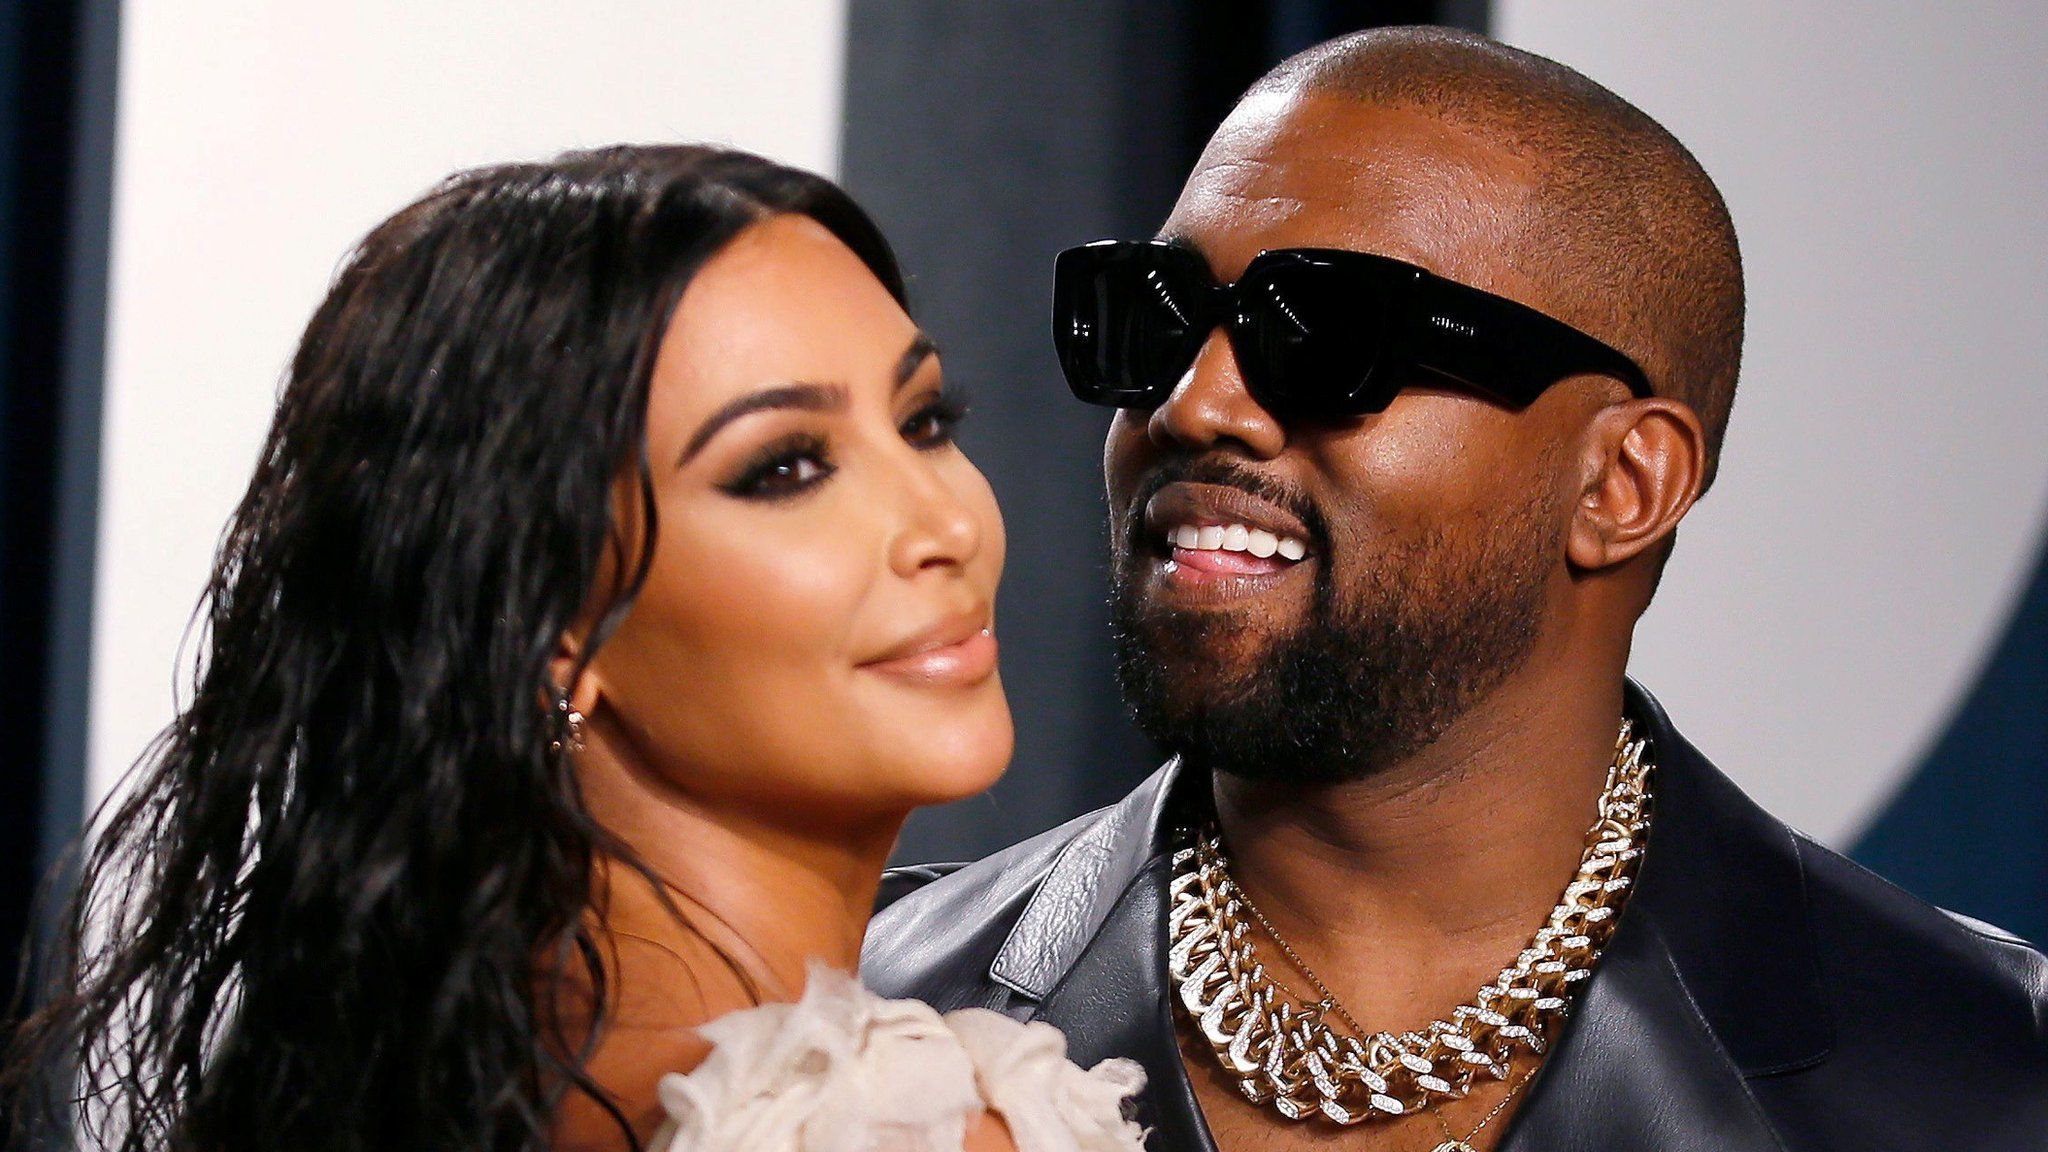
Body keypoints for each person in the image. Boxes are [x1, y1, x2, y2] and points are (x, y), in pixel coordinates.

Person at [863, 27, 2048, 1152]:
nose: (1194, 404)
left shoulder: (1982, 1077)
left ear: (1622, 482)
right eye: (1155, 320)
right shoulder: (855, 1020)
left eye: (1327, 335)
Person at [6, 146, 1143, 1152]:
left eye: (923, 422)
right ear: (546, 626)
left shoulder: (426, 1078)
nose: (946, 526)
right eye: (785, 468)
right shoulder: (900, 1131)